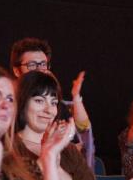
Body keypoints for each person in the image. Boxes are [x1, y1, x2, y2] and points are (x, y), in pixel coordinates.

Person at [9, 37, 95, 172]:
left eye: (43, 64)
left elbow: (83, 132)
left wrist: (76, 98)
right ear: (16, 70)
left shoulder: (57, 106)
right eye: (32, 65)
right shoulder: (6, 106)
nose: (39, 69)